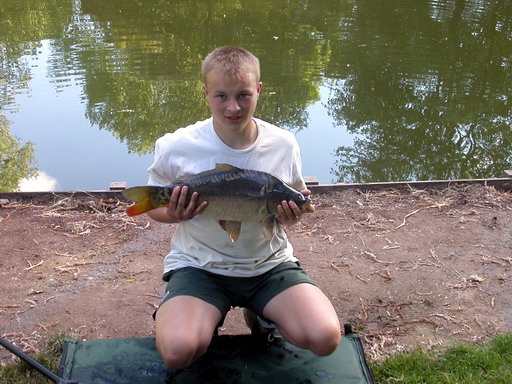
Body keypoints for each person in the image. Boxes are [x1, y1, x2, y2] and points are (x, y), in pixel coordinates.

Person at [145, 46, 341, 369]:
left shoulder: (283, 143)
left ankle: (260, 311)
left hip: (268, 265)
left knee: (325, 337)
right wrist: (172, 212)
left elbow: (288, 203)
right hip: (201, 265)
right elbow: (155, 207)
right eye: (221, 96)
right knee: (179, 352)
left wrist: (290, 216)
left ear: (259, 90)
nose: (233, 106)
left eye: (243, 95)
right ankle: (200, 318)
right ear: (205, 93)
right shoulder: (177, 146)